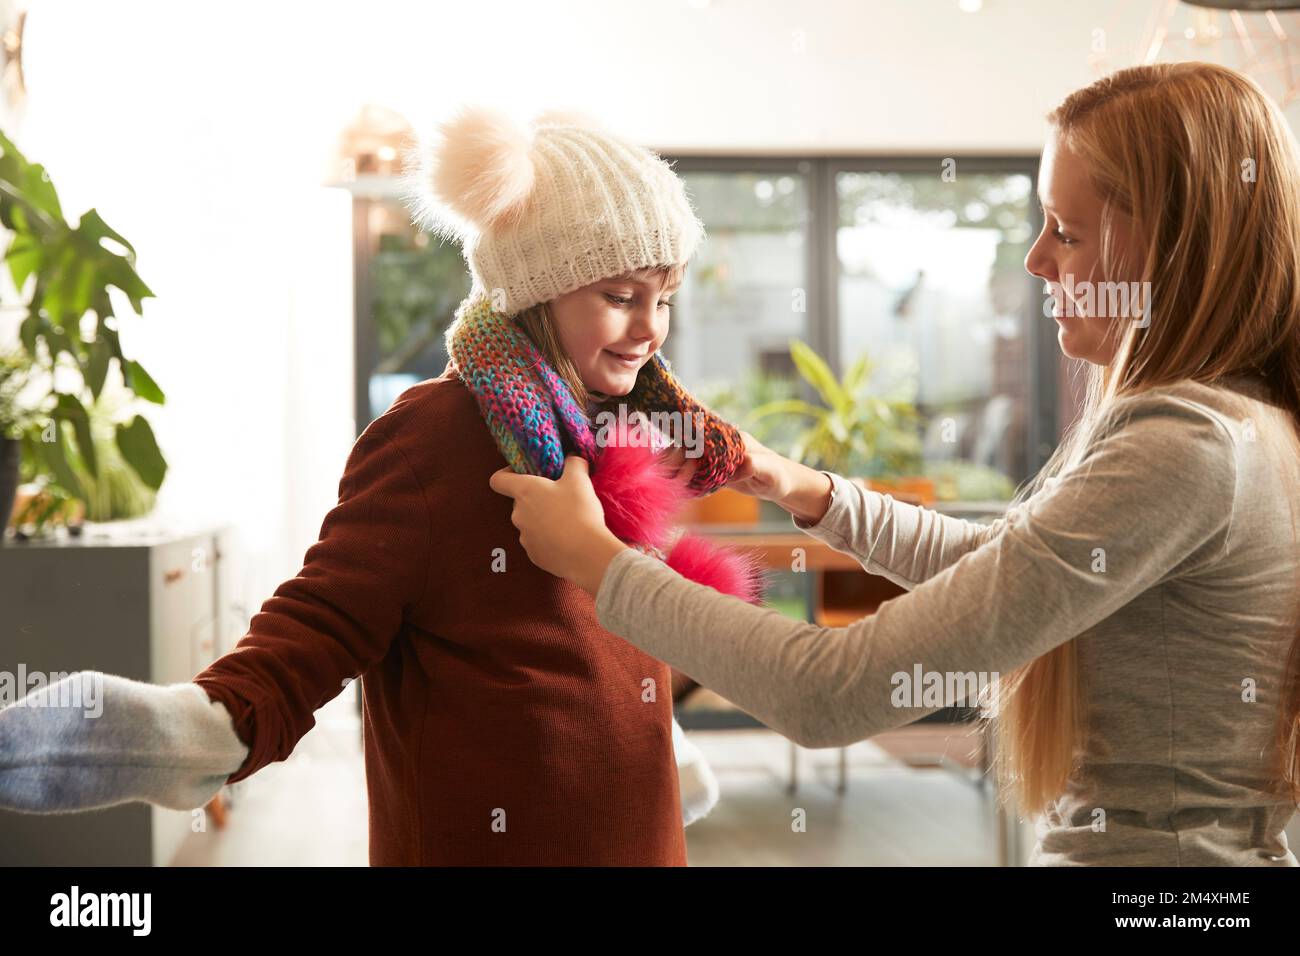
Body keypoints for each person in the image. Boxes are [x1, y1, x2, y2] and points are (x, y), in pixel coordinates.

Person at [491, 62, 1300, 866]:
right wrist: (799, 487)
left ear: (1169, 249)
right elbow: (1002, 570)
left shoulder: (1184, 445)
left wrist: (598, 564)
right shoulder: (1242, 423)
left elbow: (828, 691)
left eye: (1067, 230)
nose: (1036, 261)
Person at [0, 106, 754, 865]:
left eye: (665, 298)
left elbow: (597, 632)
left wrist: (658, 737)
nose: (651, 327)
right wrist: (207, 726)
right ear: (536, 288)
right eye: (622, 297)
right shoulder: (433, 435)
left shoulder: (614, 432)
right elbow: (323, 620)